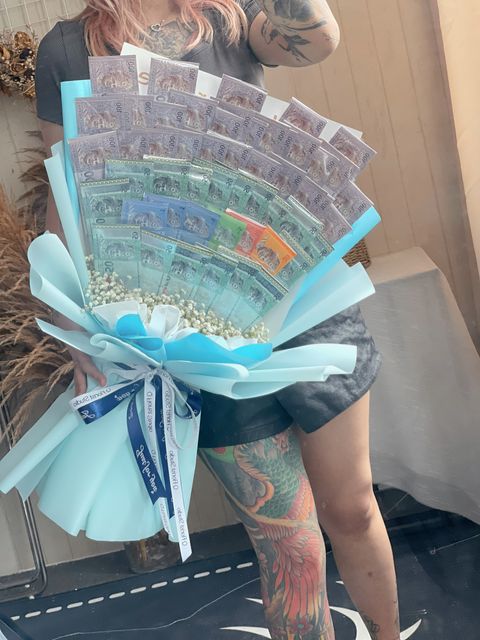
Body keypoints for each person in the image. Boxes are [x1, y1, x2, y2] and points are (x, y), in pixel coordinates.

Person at [35, 1, 399, 638]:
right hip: (196, 338)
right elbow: (67, 190)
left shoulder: (234, 15)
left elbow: (319, 38)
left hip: (299, 299)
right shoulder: (66, 48)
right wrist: (69, 325)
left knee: (353, 511)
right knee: (290, 546)